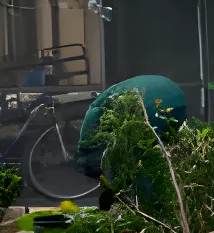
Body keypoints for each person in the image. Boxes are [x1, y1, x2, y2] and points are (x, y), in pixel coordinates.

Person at [74, 75, 188, 210]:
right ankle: (167, 201)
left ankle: (146, 207)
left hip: (151, 105)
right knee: (159, 154)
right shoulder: (100, 110)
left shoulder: (94, 132)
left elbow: (107, 164)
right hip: (175, 98)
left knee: (137, 158)